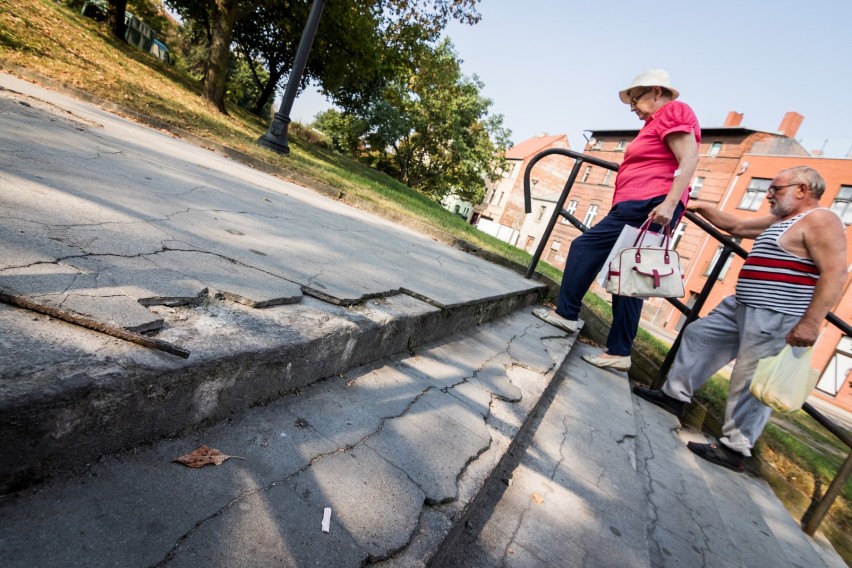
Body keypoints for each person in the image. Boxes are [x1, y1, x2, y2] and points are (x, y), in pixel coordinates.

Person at [633, 166, 848, 472]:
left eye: (776, 188)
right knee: (699, 335)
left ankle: (735, 449)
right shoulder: (782, 220)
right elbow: (736, 225)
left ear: (802, 189)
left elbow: (835, 273)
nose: (768, 195)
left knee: (749, 379)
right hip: (743, 304)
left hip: (777, 312)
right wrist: (700, 206)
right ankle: (674, 396)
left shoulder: (821, 219)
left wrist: (812, 322)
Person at [534, 69, 700, 371]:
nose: (632, 106)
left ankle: (566, 314)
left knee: (585, 247)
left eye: (635, 99)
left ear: (656, 92)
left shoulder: (673, 111)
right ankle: (620, 351)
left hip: (648, 204)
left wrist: (670, 202)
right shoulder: (655, 122)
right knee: (631, 275)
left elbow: (689, 159)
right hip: (644, 203)